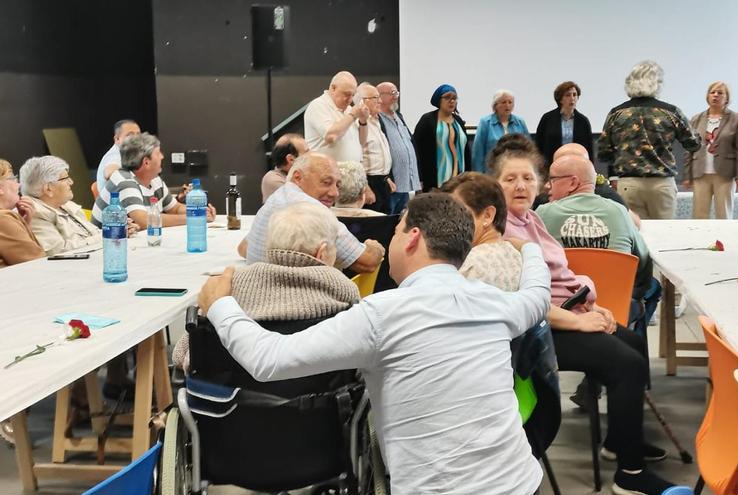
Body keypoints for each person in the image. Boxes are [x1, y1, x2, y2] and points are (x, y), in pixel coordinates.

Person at [199, 193, 550, 494]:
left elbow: (268, 360)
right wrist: (531, 249)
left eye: (396, 233)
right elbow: (537, 296)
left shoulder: (381, 314)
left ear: (412, 238)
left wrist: (220, 305)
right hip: (523, 480)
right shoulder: (497, 303)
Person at [480, 136, 674, 494]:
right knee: (626, 364)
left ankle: (620, 440)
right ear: (496, 185)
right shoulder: (501, 233)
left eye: (528, 178)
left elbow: (560, 279)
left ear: (540, 183)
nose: (521, 185)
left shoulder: (533, 219)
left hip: (566, 315)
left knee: (632, 341)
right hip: (538, 333)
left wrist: (590, 305)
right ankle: (630, 476)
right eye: (510, 179)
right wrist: (581, 321)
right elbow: (526, 304)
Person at [173, 201, 360, 372]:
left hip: (231, 402)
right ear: (322, 252)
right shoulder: (344, 289)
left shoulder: (229, 287)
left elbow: (181, 356)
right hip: (318, 401)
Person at [536, 153, 658, 332]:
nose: (547, 186)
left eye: (552, 179)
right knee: (652, 290)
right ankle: (631, 345)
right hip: (616, 308)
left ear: (573, 182)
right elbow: (644, 260)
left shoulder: (542, 214)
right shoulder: (619, 212)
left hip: (565, 310)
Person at [239, 153, 384, 273]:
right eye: (326, 182)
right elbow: (368, 263)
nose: (335, 193)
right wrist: (374, 247)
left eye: (338, 185)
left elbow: (243, 248)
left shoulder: (277, 197)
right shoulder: (314, 212)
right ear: (298, 177)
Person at [598, 61, 700, 220]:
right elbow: (693, 143)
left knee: (635, 237)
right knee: (666, 237)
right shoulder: (670, 112)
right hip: (662, 185)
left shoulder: (617, 113)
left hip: (629, 184)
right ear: (656, 84)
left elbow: (603, 153)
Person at [91, 133, 215, 229]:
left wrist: (199, 211)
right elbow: (145, 221)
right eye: (158, 153)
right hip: (103, 248)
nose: (162, 156)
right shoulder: (124, 180)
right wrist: (194, 217)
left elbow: (174, 208)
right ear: (146, 162)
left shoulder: (154, 179)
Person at [19, 156, 136, 256]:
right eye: (65, 178)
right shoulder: (35, 212)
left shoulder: (66, 205)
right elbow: (58, 251)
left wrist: (117, 229)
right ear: (48, 188)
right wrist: (110, 234)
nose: (71, 182)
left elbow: (92, 234)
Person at [682, 81, 738, 219]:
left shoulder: (736, 119)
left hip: (725, 174)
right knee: (699, 216)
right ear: (708, 96)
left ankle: (723, 240)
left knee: (724, 214)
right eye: (712, 92)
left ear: (727, 98)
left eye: (720, 93)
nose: (715, 95)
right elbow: (689, 149)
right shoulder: (696, 119)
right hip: (700, 173)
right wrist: (687, 175)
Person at [412, 84, 470, 191]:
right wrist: (419, 178)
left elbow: (466, 150)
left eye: (454, 98)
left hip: (460, 180)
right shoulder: (427, 120)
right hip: (434, 181)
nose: (452, 101)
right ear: (439, 100)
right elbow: (416, 149)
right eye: (447, 97)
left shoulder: (458, 120)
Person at [303, 71, 369, 163]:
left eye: (352, 95)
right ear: (333, 88)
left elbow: (361, 142)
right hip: (327, 173)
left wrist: (363, 121)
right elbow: (331, 136)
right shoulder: (318, 105)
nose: (350, 100)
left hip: (352, 172)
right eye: (346, 94)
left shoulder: (349, 110)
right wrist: (352, 115)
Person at [377, 81, 420, 214]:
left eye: (397, 92)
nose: (396, 96)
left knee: (402, 221)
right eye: (392, 93)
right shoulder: (376, 119)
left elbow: (410, 145)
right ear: (379, 97)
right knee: (389, 219)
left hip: (406, 184)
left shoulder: (399, 117)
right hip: (392, 185)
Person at [535, 81, 594, 168]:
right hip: (552, 165)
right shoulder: (547, 118)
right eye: (568, 95)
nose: (572, 98)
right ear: (560, 99)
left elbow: (589, 149)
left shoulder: (583, 121)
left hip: (577, 166)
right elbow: (538, 145)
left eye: (575, 95)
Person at [356, 83, 394, 213]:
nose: (380, 101)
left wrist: (387, 178)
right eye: (375, 98)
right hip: (369, 182)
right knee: (374, 224)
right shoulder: (358, 124)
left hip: (382, 182)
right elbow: (357, 158)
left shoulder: (377, 122)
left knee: (386, 223)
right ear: (362, 101)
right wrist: (365, 187)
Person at [0, 159, 45, 267]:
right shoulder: (3, 219)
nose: (18, 185)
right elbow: (37, 263)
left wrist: (25, 224)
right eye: (12, 178)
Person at [472, 89, 529, 173]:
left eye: (510, 102)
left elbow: (528, 148)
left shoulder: (520, 122)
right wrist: (479, 175)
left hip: (516, 169)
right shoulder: (485, 123)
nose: (507, 105)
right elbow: (478, 152)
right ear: (495, 105)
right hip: (492, 171)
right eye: (504, 102)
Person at [261, 133, 309, 202]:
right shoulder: (273, 179)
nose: (312, 155)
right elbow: (303, 203)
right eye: (307, 153)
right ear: (291, 159)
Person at [96, 119, 140, 193]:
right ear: (117, 139)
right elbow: (109, 172)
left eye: (138, 134)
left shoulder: (129, 154)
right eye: (130, 135)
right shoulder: (114, 155)